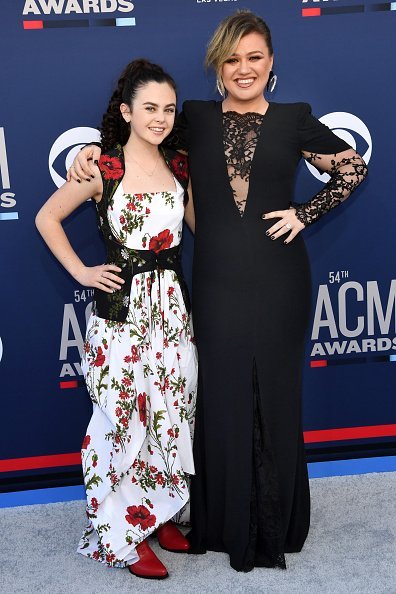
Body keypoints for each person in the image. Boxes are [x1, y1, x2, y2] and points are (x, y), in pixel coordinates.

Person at [69, 11, 368, 573]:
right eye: (232, 58)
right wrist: (92, 152)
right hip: (212, 282)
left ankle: (277, 520)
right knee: (216, 397)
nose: (244, 68)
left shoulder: (295, 119)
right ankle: (214, 519)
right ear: (217, 66)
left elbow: (352, 168)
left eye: (254, 57)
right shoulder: (196, 121)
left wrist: (305, 212)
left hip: (281, 279)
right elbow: (139, 140)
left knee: (277, 395)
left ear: (271, 61)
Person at [36, 59, 197, 580]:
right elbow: (46, 217)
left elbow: (202, 226)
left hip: (171, 308)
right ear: (126, 111)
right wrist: (82, 271)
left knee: (170, 409)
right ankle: (121, 532)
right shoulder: (101, 167)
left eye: (168, 109)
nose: (160, 118)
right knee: (123, 416)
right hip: (121, 313)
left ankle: (157, 512)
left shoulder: (179, 165)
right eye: (149, 108)